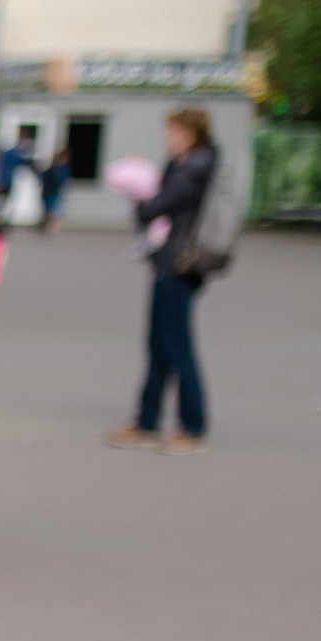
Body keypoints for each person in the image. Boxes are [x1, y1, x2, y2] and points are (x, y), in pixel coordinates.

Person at [109, 108, 218, 455]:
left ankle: (192, 426)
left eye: (172, 132)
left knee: (175, 345)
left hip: (178, 264)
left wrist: (140, 189)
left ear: (188, 134)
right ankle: (147, 419)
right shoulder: (192, 165)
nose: (166, 138)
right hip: (176, 262)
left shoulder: (190, 171)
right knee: (160, 344)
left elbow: (151, 209)